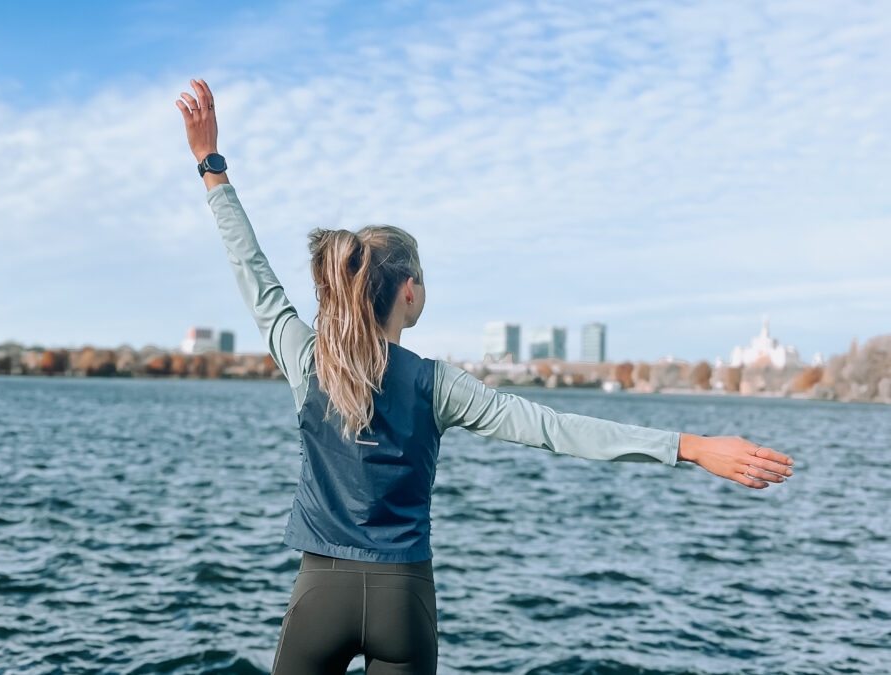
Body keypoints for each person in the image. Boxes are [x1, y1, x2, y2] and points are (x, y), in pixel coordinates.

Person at [174, 78, 795, 675]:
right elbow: (554, 429)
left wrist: (212, 165)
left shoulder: (306, 359)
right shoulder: (439, 384)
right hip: (404, 599)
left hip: (320, 595)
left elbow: (251, 269)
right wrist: (690, 447)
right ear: (410, 291)